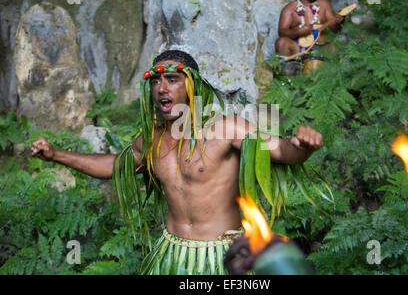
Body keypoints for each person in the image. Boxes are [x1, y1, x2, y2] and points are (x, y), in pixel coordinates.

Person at [31, 50, 323, 275]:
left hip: (221, 253)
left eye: (172, 80)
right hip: (171, 254)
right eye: (156, 81)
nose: (161, 88)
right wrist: (56, 155)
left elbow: (282, 151)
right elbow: (113, 166)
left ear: (192, 86)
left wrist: (303, 147)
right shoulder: (151, 140)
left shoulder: (227, 129)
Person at [276, 0, 344, 72]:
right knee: (281, 42)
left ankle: (325, 79)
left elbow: (335, 29)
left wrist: (338, 22)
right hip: (298, 47)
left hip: (321, 45)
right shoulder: (290, 9)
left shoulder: (324, 5)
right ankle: (289, 79)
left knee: (333, 48)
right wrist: (299, 32)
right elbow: (282, 32)